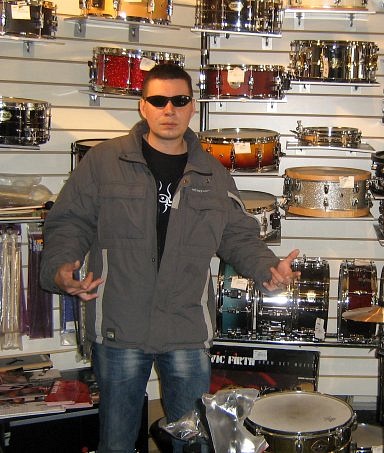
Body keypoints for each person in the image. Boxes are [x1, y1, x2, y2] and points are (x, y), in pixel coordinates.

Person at [40, 63, 299, 453]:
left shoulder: (212, 174)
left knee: (192, 443)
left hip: (186, 328)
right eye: (158, 100)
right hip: (120, 324)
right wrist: (61, 268)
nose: (169, 110)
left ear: (192, 106)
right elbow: (69, 222)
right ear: (143, 106)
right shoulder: (104, 162)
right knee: (117, 442)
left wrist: (267, 267)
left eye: (179, 100)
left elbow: (237, 235)